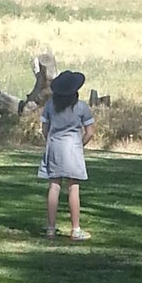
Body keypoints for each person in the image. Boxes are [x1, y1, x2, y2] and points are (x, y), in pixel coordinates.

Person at [38, 70, 95, 241]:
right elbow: (90, 131)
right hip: (73, 146)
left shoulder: (50, 105)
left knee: (54, 186)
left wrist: (51, 139)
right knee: (73, 188)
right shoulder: (82, 107)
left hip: (54, 145)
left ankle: (50, 228)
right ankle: (75, 229)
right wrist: (80, 144)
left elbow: (44, 129)